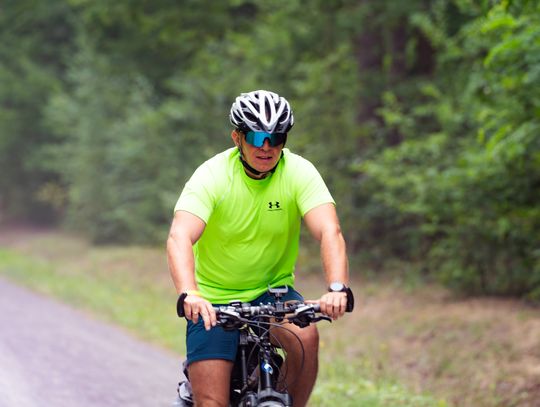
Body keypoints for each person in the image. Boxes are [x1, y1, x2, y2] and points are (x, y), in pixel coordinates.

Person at [167, 89, 351, 407]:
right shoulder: (212, 175)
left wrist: (337, 287)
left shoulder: (299, 172)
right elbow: (179, 236)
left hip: (273, 294)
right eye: (256, 137)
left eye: (276, 138)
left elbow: (329, 231)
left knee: (306, 336)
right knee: (211, 403)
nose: (266, 147)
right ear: (237, 137)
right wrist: (190, 293)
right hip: (213, 301)